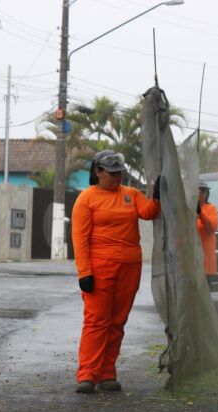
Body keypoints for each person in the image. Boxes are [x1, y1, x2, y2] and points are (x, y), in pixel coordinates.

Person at [71, 150, 161, 394]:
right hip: (99, 267)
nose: (117, 176)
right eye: (111, 173)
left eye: (119, 172)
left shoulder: (131, 194)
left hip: (130, 266)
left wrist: (158, 197)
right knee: (96, 321)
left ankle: (107, 373)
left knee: (117, 322)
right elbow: (79, 238)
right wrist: (84, 273)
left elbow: (148, 213)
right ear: (98, 173)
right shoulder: (87, 198)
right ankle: (88, 374)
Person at [196, 181, 218, 278]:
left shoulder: (211, 208)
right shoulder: (185, 208)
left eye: (203, 190)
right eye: (198, 190)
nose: (200, 193)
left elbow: (212, 227)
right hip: (190, 259)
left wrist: (200, 213)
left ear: (207, 194)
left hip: (206, 260)